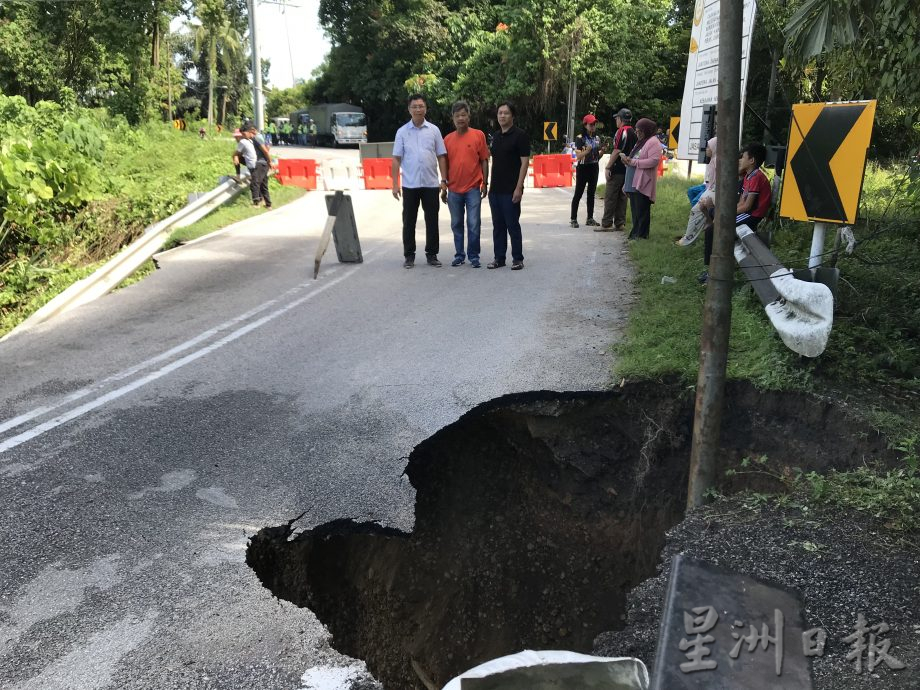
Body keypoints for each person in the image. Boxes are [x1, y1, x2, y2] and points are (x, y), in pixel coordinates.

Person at [698, 142, 772, 284]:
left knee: (713, 230)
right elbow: (741, 202)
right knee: (714, 214)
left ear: (752, 160)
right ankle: (712, 270)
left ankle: (712, 272)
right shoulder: (749, 176)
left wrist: (725, 215)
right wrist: (722, 212)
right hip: (746, 212)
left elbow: (747, 206)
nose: (739, 160)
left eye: (743, 157)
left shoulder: (757, 177)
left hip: (753, 216)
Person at [392, 93, 449, 268]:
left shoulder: (434, 130)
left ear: (426, 108)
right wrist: (395, 184)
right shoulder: (402, 132)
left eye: (421, 106)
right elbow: (396, 159)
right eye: (414, 106)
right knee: (409, 221)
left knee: (432, 220)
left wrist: (444, 180)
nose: (418, 109)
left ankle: (432, 254)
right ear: (409, 109)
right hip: (410, 184)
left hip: (431, 184)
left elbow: (441, 156)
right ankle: (409, 255)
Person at [441, 100, 490, 268]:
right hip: (454, 189)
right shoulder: (447, 139)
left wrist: (485, 182)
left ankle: (474, 256)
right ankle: (459, 255)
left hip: (473, 188)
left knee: (473, 223)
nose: (460, 118)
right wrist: (444, 186)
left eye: (463, 115)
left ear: (469, 117)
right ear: (453, 119)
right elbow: (444, 165)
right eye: (457, 116)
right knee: (456, 223)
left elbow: (484, 160)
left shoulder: (478, 135)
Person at [487, 101, 531, 270]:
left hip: (511, 190)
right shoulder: (496, 137)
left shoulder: (520, 136)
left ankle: (517, 259)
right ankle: (499, 258)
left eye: (506, 113)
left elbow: (524, 163)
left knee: (512, 225)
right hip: (495, 190)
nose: (502, 116)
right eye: (500, 113)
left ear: (512, 116)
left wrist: (519, 187)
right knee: (498, 226)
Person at [620, 118, 660, 240]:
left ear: (646, 130)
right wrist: (627, 160)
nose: (637, 134)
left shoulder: (653, 142)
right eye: (636, 131)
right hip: (633, 181)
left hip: (643, 181)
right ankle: (635, 233)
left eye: (639, 131)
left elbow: (653, 161)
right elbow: (635, 159)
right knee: (635, 210)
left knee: (642, 210)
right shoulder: (641, 142)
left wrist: (632, 162)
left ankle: (641, 236)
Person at [600, 108, 637, 231]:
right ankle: (620, 223)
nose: (616, 120)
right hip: (628, 169)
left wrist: (608, 166)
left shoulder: (621, 131)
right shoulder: (634, 132)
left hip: (617, 169)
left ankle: (606, 223)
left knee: (611, 196)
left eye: (617, 118)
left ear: (621, 119)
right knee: (623, 197)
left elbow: (616, 150)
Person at [677, 136, 717, 246]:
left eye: (709, 147)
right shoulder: (713, 160)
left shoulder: (717, 161)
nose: (707, 149)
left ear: (715, 148)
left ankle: (687, 240)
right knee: (696, 203)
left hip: (714, 191)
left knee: (696, 208)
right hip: (710, 188)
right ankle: (701, 228)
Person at [570, 114, 604, 227]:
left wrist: (602, 152)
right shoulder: (580, 138)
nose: (593, 126)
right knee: (578, 193)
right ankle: (573, 219)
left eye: (594, 124)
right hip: (583, 168)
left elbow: (596, 157)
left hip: (594, 167)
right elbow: (578, 156)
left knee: (591, 194)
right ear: (585, 125)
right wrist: (587, 151)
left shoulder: (597, 138)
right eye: (591, 124)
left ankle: (590, 218)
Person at [242, 121, 272, 208]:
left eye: (245, 134)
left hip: (260, 163)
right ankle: (268, 204)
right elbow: (268, 147)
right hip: (263, 163)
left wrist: (269, 161)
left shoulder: (256, 138)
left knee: (255, 183)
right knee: (263, 184)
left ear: (252, 130)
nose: (244, 136)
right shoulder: (260, 136)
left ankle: (256, 204)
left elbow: (265, 151)